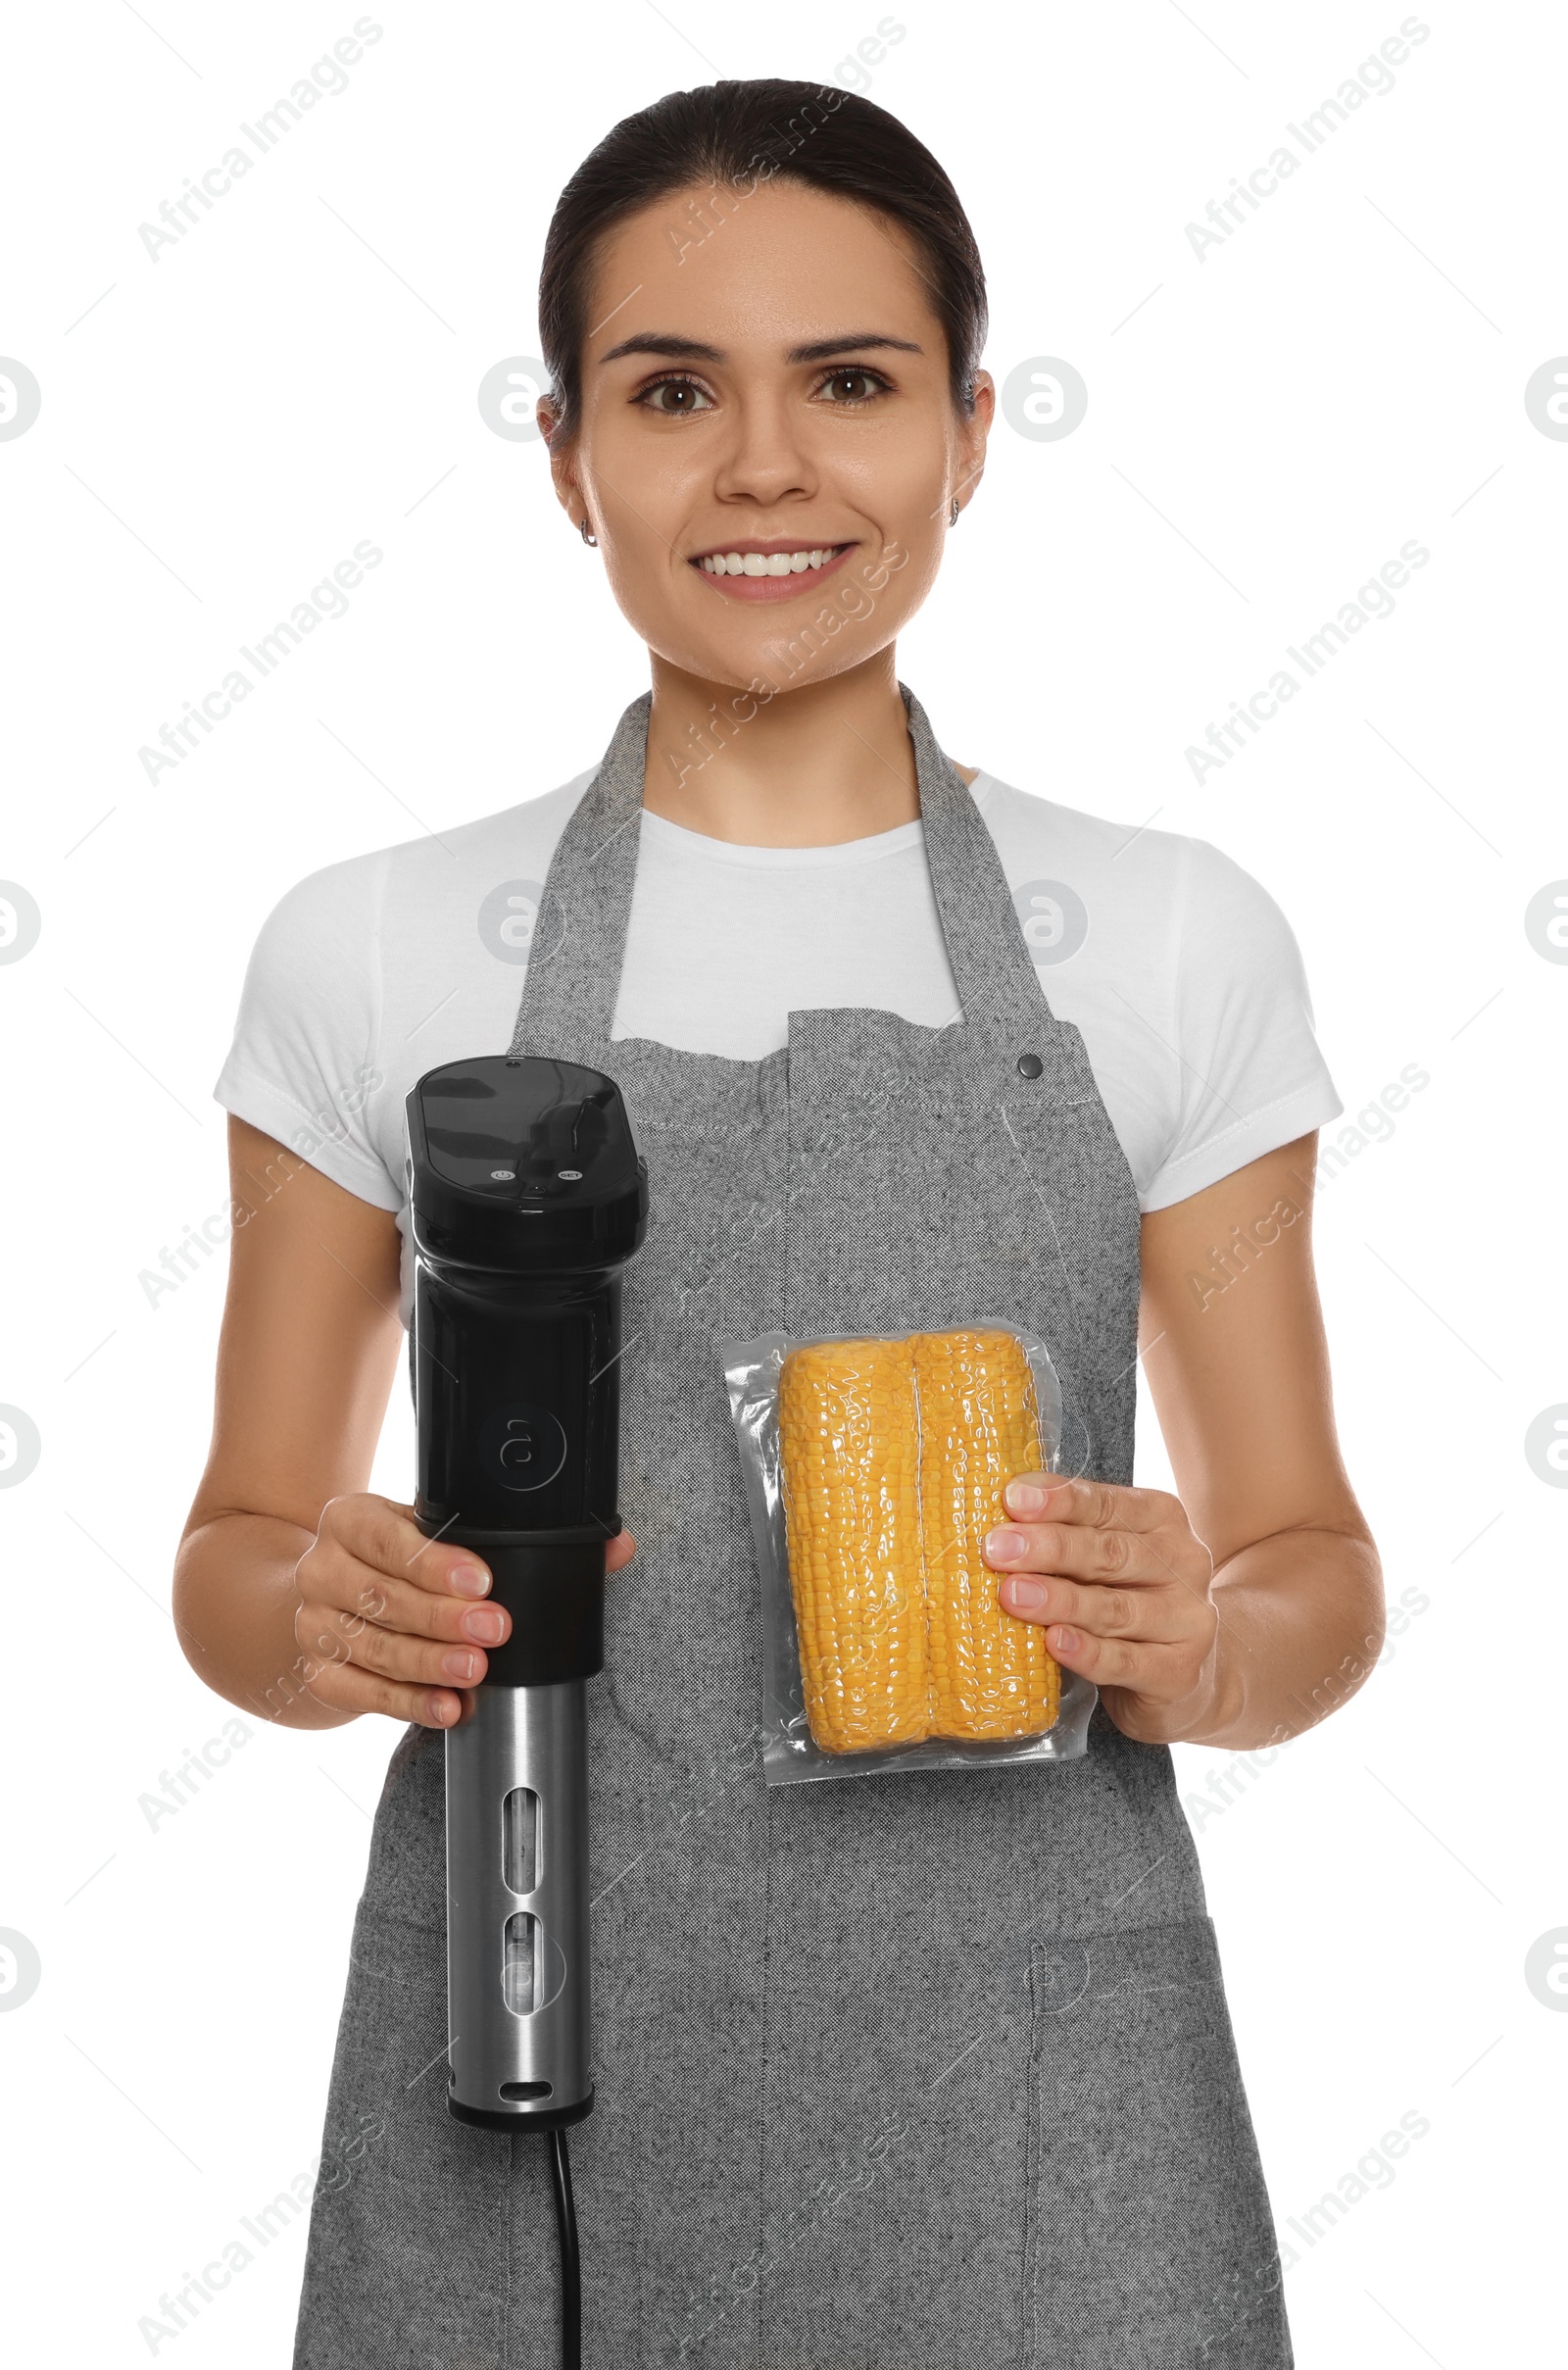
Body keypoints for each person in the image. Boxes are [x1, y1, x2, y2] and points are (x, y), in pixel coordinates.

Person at [175, 78, 1382, 2369]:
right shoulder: (371, 953)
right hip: (525, 2035)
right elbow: (231, 1556)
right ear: (564, 457)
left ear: (963, 432)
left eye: (846, 381)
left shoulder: (1161, 942)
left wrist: (1200, 1646)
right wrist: (318, 1615)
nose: (759, 466)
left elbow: (1312, 1573)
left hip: (1049, 2081)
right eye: (667, 392)